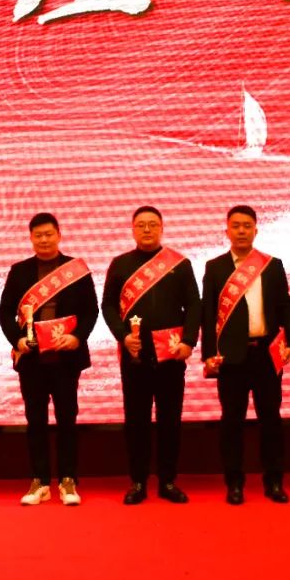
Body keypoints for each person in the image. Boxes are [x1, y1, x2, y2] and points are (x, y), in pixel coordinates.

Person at [0, 213, 98, 506]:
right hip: (32, 360)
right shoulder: (19, 271)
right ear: (31, 238)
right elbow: (4, 312)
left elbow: (91, 311)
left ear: (59, 235)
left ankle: (68, 479)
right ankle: (40, 481)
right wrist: (16, 340)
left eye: (48, 234)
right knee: (35, 421)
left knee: (67, 419)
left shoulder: (76, 270)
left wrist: (77, 337)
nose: (44, 240)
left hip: (66, 358)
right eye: (38, 235)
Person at [101, 206, 200, 505]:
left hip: (171, 354)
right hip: (135, 354)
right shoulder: (120, 264)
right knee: (136, 421)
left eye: (152, 224)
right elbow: (108, 306)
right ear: (133, 229)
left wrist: (189, 341)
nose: (147, 229)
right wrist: (123, 335)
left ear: (161, 228)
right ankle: (138, 482)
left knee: (170, 420)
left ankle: (168, 480)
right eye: (141, 225)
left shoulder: (179, 264)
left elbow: (193, 305)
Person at [201, 206, 290, 505]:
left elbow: (285, 306)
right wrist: (209, 353)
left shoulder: (271, 265)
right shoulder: (215, 267)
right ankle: (234, 482)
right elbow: (208, 313)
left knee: (271, 418)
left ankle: (274, 481)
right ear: (227, 231)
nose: (241, 231)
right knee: (232, 421)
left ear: (256, 230)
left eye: (247, 225)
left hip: (266, 353)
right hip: (231, 357)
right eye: (236, 226)